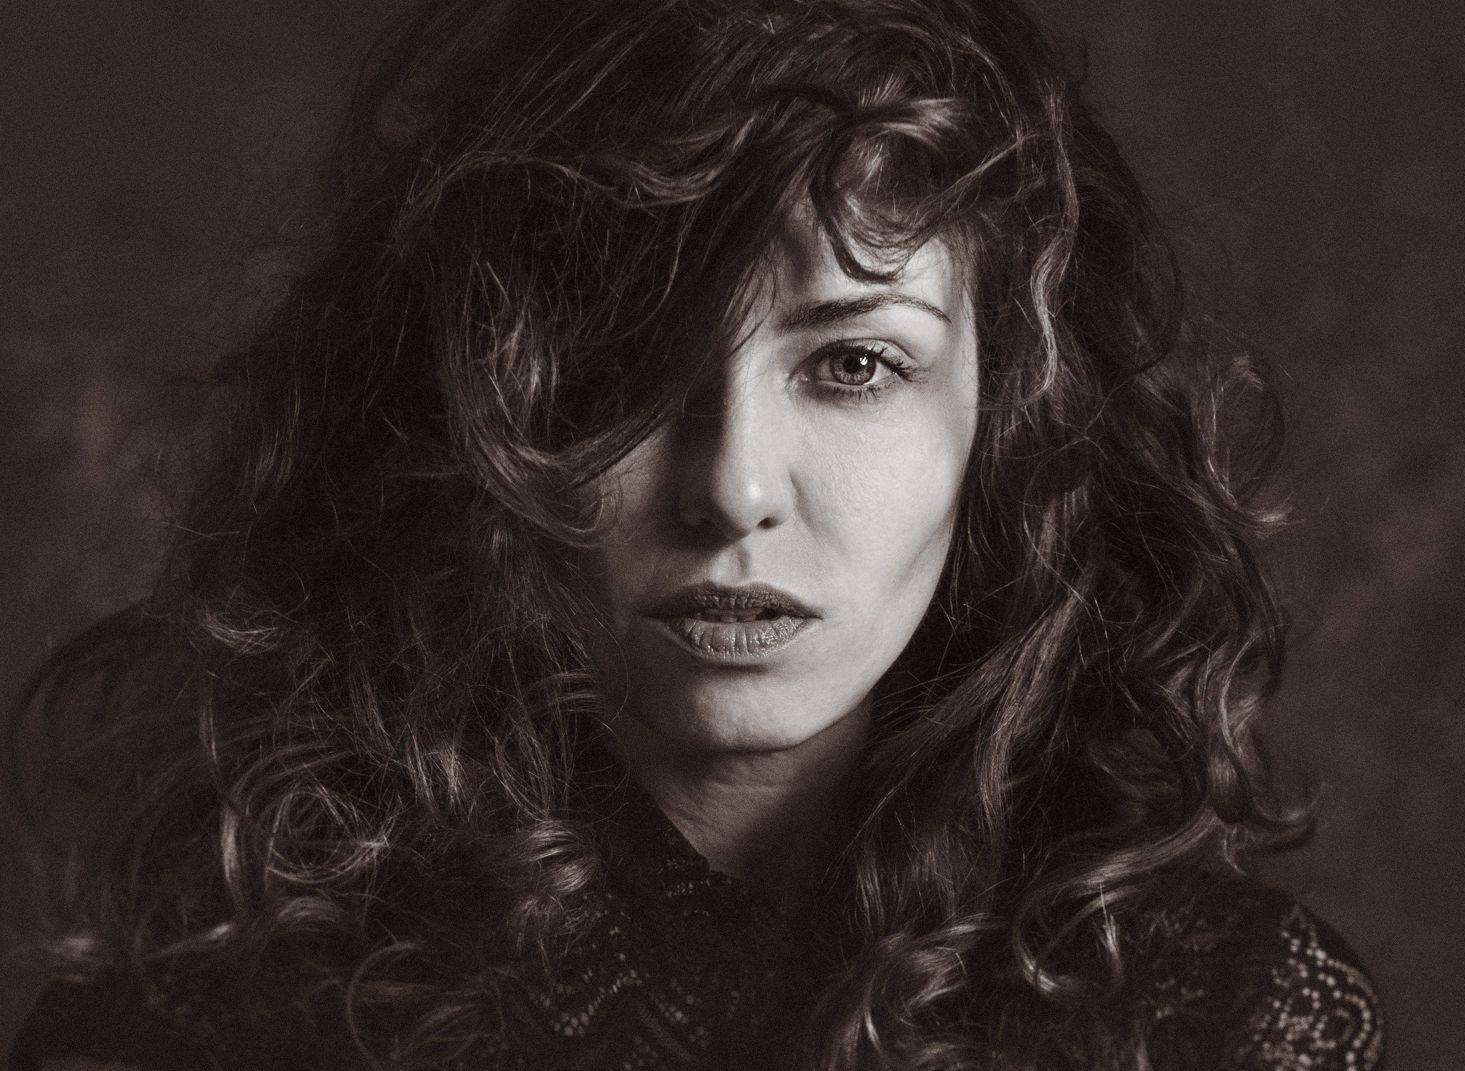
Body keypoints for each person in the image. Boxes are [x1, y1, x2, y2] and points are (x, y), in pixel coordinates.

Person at [8, 0, 1386, 1067]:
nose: (732, 488)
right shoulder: (213, 1012)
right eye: (629, 368)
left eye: (853, 365)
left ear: (1012, 420)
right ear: (470, 419)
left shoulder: (1217, 1015)